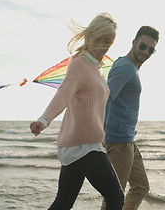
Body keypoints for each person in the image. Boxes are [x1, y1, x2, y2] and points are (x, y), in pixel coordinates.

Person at [30, 13, 124, 210]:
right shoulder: (79, 64)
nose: (103, 46)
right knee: (115, 197)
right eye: (100, 39)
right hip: (84, 145)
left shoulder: (95, 68)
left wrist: (103, 131)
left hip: (81, 143)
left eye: (109, 41)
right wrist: (44, 120)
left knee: (63, 203)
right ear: (89, 37)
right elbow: (63, 94)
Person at [101, 26, 159, 210]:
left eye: (151, 49)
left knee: (141, 187)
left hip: (128, 140)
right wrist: (102, 127)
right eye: (143, 46)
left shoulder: (130, 67)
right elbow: (107, 96)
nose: (146, 52)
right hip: (118, 142)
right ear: (134, 43)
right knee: (115, 196)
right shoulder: (126, 67)